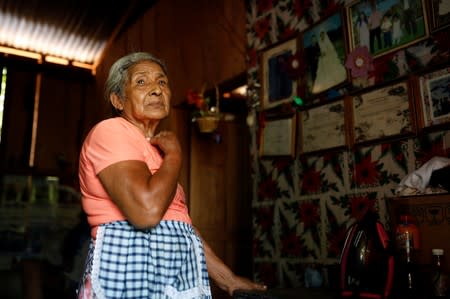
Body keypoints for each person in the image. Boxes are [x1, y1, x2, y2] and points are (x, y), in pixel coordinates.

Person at [76, 52, 267, 298]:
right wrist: (175, 155)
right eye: (141, 82)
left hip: (169, 278)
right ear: (118, 100)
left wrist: (229, 280)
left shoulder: (155, 149)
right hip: (129, 275)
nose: (156, 89)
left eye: (162, 82)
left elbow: (181, 227)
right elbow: (146, 213)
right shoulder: (111, 131)